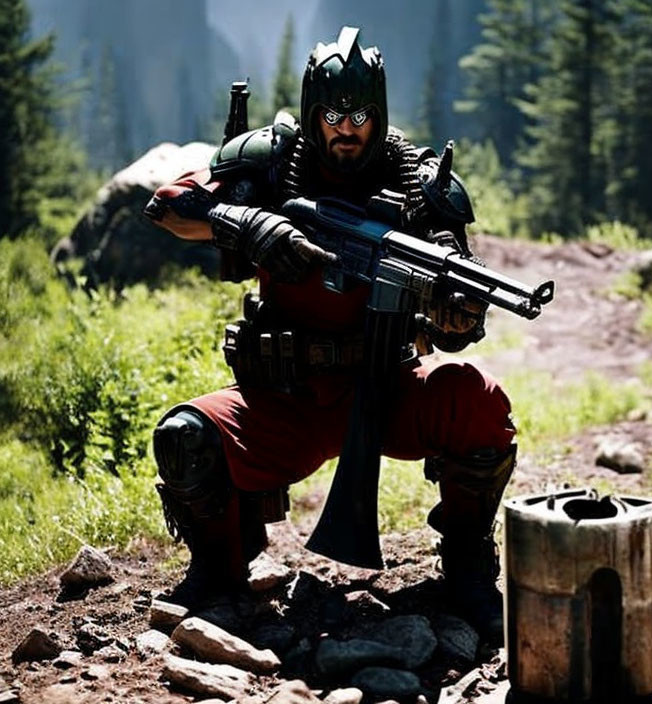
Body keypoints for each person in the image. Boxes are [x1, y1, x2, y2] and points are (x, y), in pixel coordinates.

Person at [143, 26, 516, 639]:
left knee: (479, 402)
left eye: (362, 114)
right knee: (184, 437)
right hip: (286, 399)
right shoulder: (268, 163)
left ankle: (468, 567)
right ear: (314, 112)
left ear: (381, 113)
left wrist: (458, 317)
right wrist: (250, 224)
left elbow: (460, 301)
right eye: (334, 113)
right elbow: (168, 209)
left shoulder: (420, 184)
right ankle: (219, 571)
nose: (348, 127)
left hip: (389, 388)